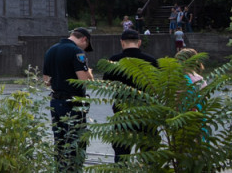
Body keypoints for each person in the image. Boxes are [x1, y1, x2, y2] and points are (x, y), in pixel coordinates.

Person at [43, 27, 94, 172]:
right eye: (86, 45)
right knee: (75, 141)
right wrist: (89, 73)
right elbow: (83, 81)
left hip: (56, 102)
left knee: (59, 141)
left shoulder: (51, 50)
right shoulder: (77, 52)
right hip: (73, 104)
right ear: (84, 39)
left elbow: (46, 80)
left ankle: (60, 169)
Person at [103, 29, 159, 162]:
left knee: (121, 152)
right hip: (146, 112)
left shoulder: (114, 60)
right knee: (149, 152)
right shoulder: (151, 61)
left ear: (122, 43)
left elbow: (106, 84)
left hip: (122, 111)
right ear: (139, 42)